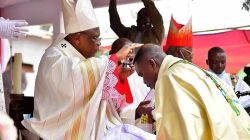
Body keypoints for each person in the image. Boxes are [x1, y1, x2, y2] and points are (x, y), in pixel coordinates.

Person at [22, 0, 155, 139]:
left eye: (99, 38)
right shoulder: (54, 56)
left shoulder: (83, 59)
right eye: (95, 38)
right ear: (77, 38)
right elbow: (74, 78)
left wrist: (118, 76)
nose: (99, 44)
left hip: (102, 129)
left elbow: (97, 93)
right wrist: (114, 59)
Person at [134, 44, 250, 139]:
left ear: (152, 64)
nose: (144, 81)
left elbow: (182, 130)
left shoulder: (169, 77)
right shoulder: (186, 68)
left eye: (141, 74)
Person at [109, 38, 155, 133]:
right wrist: (136, 112)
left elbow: (146, 100)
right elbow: (111, 113)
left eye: (130, 58)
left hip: (143, 125)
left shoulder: (139, 75)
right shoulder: (108, 78)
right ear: (113, 54)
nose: (127, 61)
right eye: (124, 56)